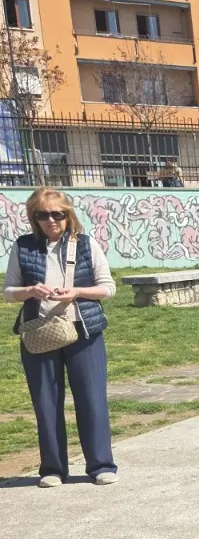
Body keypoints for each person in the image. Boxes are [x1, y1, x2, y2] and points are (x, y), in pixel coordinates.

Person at [3, 188, 118, 488]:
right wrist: (29, 291)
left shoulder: (86, 245)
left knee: (91, 399)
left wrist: (78, 292)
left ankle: (100, 465)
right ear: (34, 218)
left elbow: (108, 288)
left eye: (58, 214)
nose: (51, 220)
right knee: (46, 401)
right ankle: (52, 468)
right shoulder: (23, 247)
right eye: (43, 214)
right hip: (39, 332)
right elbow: (8, 290)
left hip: (83, 331)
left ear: (68, 215)